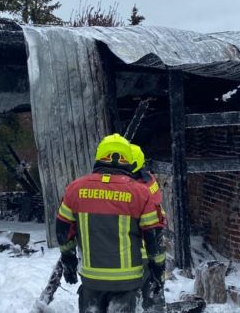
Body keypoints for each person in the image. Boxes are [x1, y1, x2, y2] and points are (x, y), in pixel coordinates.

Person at [56, 134, 166, 313]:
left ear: (99, 156)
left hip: (91, 280)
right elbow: (153, 236)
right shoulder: (140, 193)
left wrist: (68, 260)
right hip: (127, 282)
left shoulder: (75, 189)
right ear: (128, 159)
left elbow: (63, 229)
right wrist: (157, 268)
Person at [129, 144, 166, 311]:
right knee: (154, 292)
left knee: (139, 296)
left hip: (138, 252)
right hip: (152, 249)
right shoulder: (149, 180)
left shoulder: (135, 190)